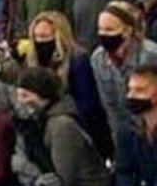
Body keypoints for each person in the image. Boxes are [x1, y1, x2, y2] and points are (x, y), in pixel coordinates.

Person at [21, 11, 106, 151]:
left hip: (74, 128)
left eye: (44, 36)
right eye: (36, 37)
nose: (39, 42)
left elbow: (87, 105)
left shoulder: (78, 60)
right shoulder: (32, 60)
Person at [91, 1, 157, 140]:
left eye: (109, 30)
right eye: (100, 29)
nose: (103, 34)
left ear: (127, 30)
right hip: (124, 129)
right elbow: (110, 106)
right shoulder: (98, 58)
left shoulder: (152, 55)